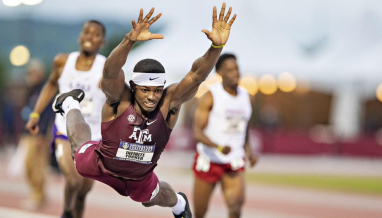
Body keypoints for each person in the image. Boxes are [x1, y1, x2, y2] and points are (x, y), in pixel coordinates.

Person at [49, 3, 236, 218]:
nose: (151, 97)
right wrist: (129, 41)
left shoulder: (169, 104)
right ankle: (70, 103)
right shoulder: (120, 99)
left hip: (139, 178)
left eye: (157, 90)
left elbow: (196, 75)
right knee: (78, 150)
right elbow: (109, 72)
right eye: (145, 90)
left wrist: (215, 48)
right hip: (100, 164)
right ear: (134, 86)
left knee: (151, 200)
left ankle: (179, 205)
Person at [26, 20, 107, 218]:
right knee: (73, 181)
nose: (89, 36)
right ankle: (67, 212)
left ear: (102, 42)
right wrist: (35, 114)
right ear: (80, 36)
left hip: (94, 136)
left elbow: (118, 98)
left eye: (95, 34)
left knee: (83, 193)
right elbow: (51, 85)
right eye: (86, 32)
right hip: (64, 131)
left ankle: (74, 210)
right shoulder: (62, 62)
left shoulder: (107, 68)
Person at [192, 53, 258, 218]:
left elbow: (245, 129)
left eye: (236, 69)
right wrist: (218, 146)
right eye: (229, 70)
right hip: (210, 159)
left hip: (234, 159)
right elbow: (197, 132)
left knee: (236, 207)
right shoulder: (210, 96)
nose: (235, 73)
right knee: (200, 213)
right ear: (219, 73)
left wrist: (249, 152)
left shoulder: (248, 97)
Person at [18, 59, 54, 210]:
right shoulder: (31, 90)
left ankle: (38, 197)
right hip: (28, 133)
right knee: (28, 165)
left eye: (33, 73)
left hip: (39, 134)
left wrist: (43, 134)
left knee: (37, 166)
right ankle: (39, 195)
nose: (30, 76)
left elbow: (48, 114)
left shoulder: (45, 91)